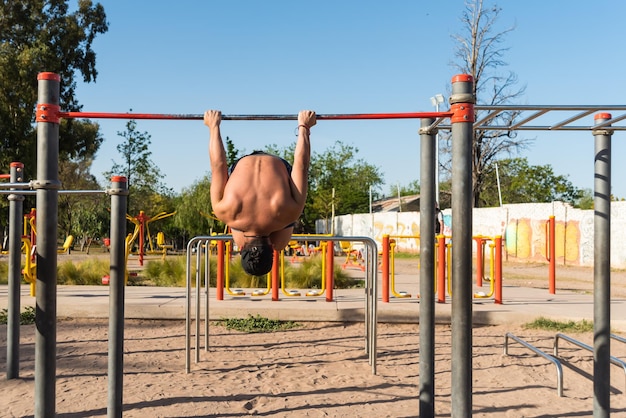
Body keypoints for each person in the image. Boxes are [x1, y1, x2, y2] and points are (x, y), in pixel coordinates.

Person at [204, 109, 317, 276]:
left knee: (281, 242)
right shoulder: (223, 211)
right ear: (240, 249)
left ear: (270, 250)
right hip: (242, 165)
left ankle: (264, 235)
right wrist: (214, 126)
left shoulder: (290, 213)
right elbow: (218, 166)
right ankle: (252, 232)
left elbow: (301, 165)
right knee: (237, 223)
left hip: (278, 168)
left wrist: (304, 126)